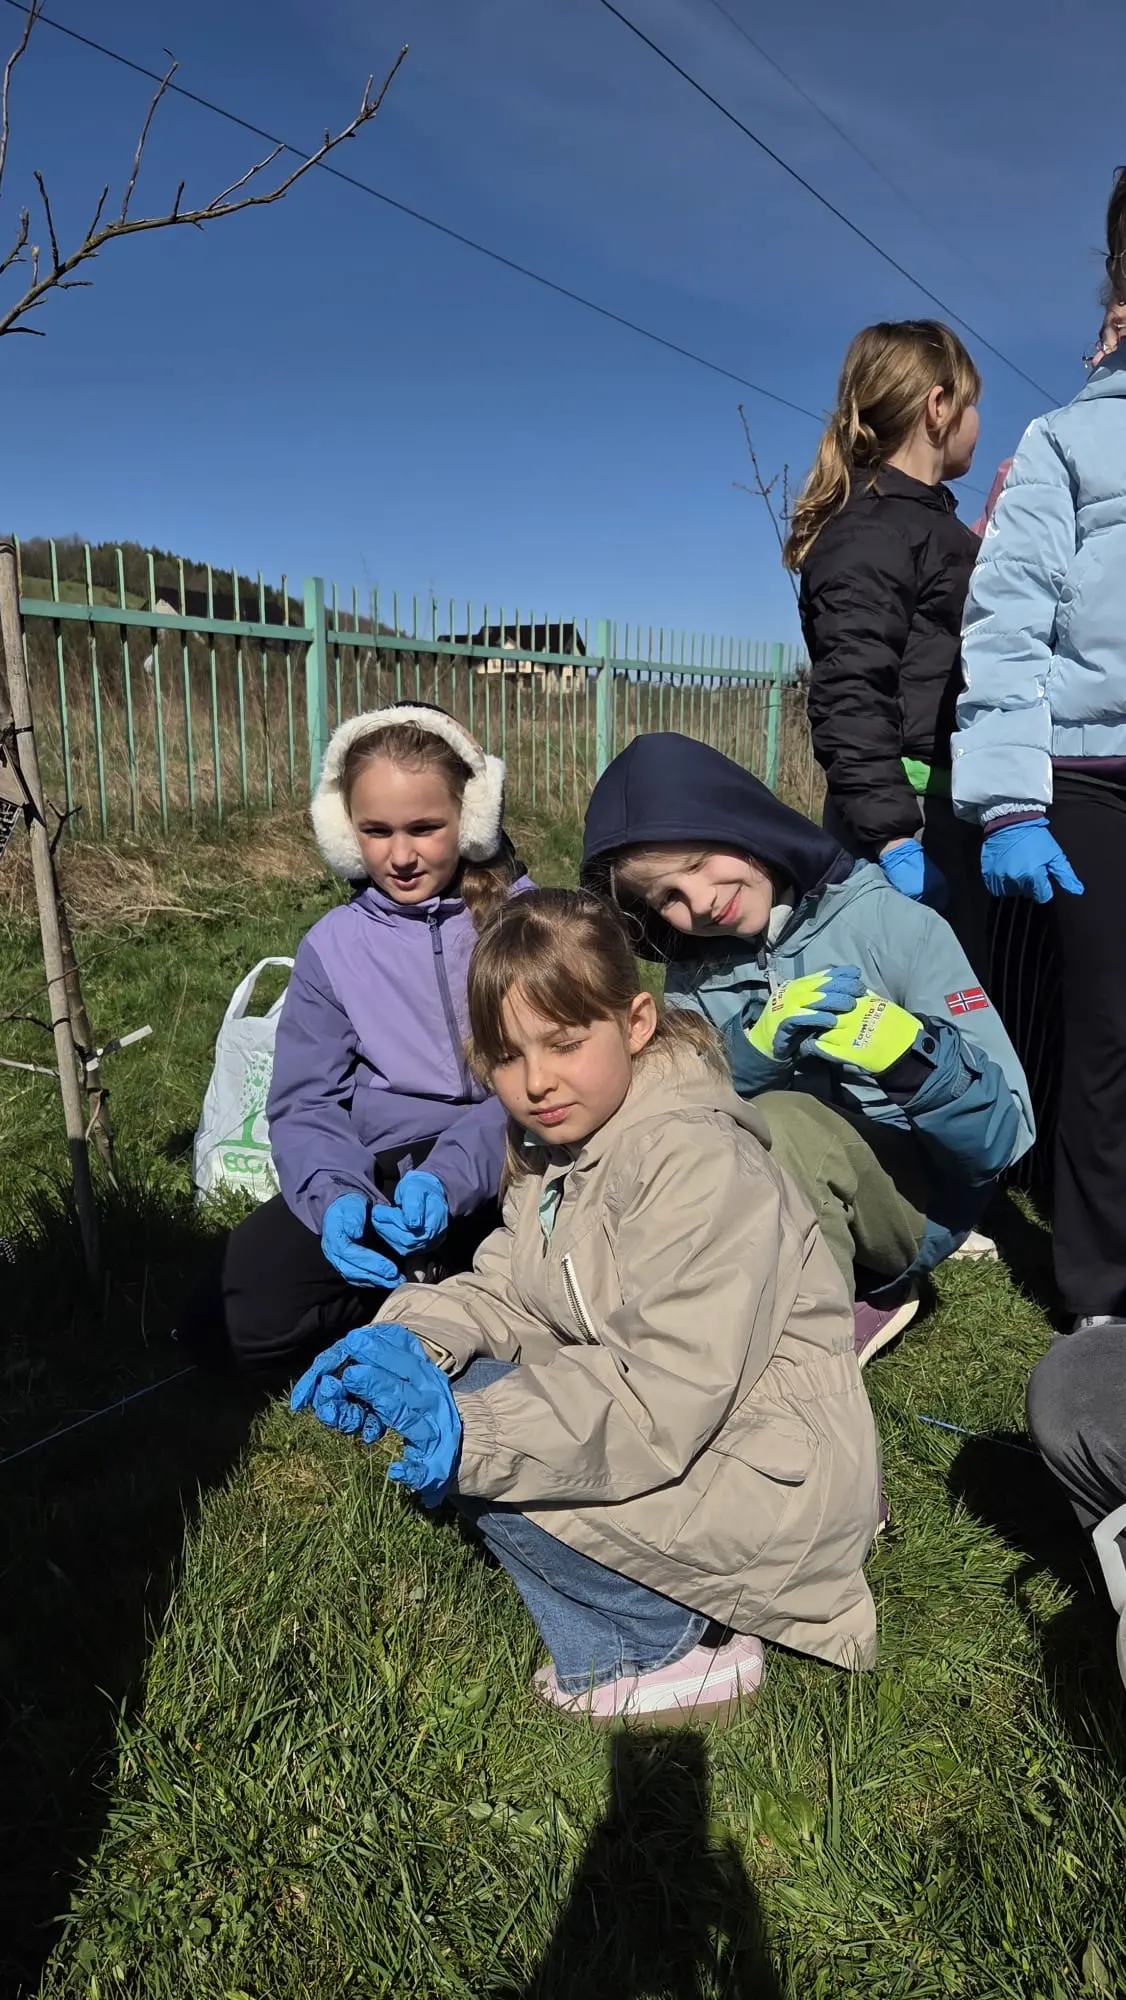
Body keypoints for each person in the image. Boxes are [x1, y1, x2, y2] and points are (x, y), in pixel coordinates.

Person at [292, 888, 880, 1725]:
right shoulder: (561, 1144)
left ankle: (660, 1643)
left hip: (774, 1475)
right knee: (471, 1398)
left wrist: (476, 1431)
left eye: (565, 1044)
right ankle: (641, 1613)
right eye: (505, 1057)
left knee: (480, 1429)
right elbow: (510, 1291)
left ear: (636, 1023)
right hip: (712, 1445)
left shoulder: (696, 1163)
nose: (536, 1081)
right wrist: (405, 1340)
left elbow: (663, 1396)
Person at [580, 734, 1033, 1365]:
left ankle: (803, 1347)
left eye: (703, 860)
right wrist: (749, 1052)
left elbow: (1003, 1139)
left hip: (916, 1201)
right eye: (667, 899)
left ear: (744, 823)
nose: (701, 901)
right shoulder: (696, 974)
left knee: (790, 1123)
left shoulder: (893, 925)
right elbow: (683, 1110)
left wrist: (917, 1061)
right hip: (779, 1194)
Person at [178, 704, 529, 1378]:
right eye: (376, 831)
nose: (400, 855)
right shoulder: (331, 948)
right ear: (345, 833)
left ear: (473, 819)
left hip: (515, 1162)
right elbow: (305, 1104)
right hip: (387, 1177)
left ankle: (438, 1297)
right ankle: (416, 1292)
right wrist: (340, 1196)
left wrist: (451, 1174)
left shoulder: (525, 924)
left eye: (426, 828)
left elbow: (541, 1087)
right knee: (223, 1321)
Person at [952, 166, 1126, 1332]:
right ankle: (1100, 1296)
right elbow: (1007, 621)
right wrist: (1012, 800)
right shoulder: (1067, 441)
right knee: (1108, 1034)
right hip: (1094, 781)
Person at [783, 319, 987, 973]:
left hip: (940, 811)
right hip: (907, 818)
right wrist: (895, 838)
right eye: (972, 402)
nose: (978, 419)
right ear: (938, 407)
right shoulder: (874, 532)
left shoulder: (925, 525)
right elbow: (851, 690)